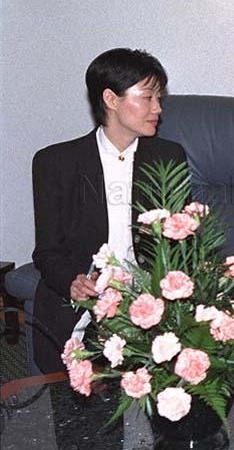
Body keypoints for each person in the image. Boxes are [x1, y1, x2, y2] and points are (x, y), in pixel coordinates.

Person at [32, 48, 186, 374]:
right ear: (111, 100)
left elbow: (179, 244)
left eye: (159, 98)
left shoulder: (168, 158)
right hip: (78, 306)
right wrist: (72, 282)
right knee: (75, 417)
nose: (158, 108)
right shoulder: (55, 163)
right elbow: (47, 251)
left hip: (145, 306)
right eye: (147, 98)